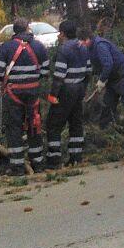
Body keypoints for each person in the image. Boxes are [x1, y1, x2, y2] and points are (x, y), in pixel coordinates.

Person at [0, 18, 49, 173]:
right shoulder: (39, 47)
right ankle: (38, 164)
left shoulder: (5, 48)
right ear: (28, 29)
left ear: (14, 31)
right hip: (33, 94)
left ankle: (17, 167)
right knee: (34, 126)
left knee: (14, 128)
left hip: (12, 94)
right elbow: (45, 72)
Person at [45, 21, 93, 168]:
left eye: (60, 33)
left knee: (53, 124)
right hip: (78, 89)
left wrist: (53, 94)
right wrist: (83, 88)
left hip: (66, 90)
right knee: (76, 123)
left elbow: (59, 75)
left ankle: (54, 160)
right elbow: (89, 71)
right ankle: (76, 157)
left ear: (63, 34)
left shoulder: (64, 49)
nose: (59, 36)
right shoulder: (83, 48)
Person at [77, 25, 124, 130]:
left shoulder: (100, 45)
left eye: (83, 41)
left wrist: (101, 80)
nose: (81, 44)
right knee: (108, 103)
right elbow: (96, 66)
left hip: (122, 75)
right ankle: (104, 129)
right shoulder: (90, 48)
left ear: (88, 38)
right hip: (112, 79)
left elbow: (108, 64)